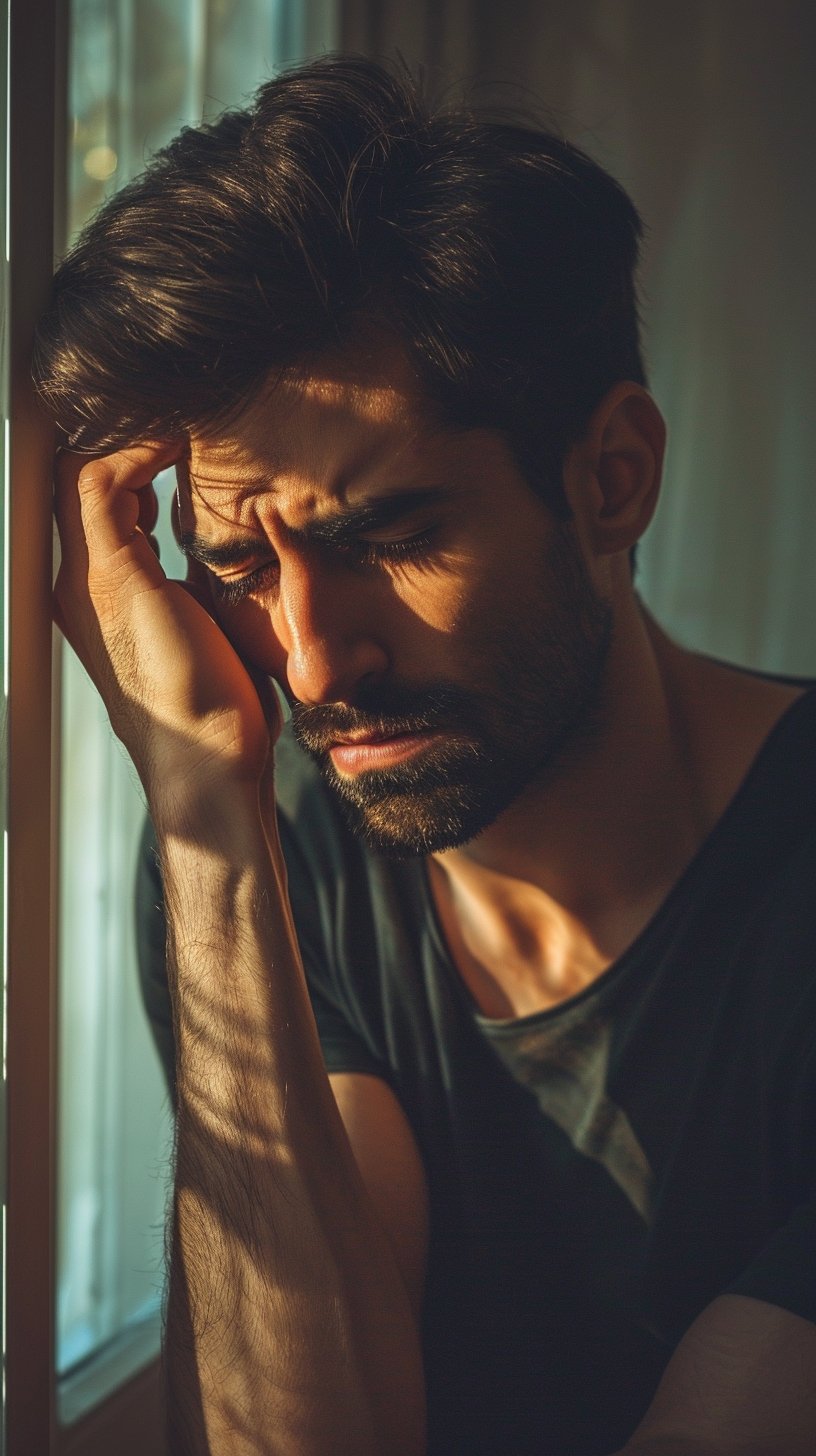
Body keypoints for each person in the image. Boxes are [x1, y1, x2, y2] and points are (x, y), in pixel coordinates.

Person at [36, 56, 816, 1456]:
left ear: (613, 476)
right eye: (237, 567)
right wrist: (204, 827)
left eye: (389, 541)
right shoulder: (271, 851)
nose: (317, 663)